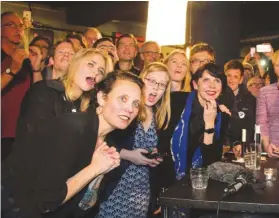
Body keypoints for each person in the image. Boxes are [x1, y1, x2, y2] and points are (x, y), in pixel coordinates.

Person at [1, 71, 145, 218]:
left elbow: (86, 204)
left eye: (136, 103)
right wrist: (94, 169)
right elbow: (46, 201)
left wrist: (99, 174)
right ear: (102, 97)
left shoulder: (107, 143)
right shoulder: (70, 128)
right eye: (123, 99)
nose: (130, 109)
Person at [98, 62, 171, 218]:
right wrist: (129, 155)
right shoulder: (125, 109)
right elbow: (100, 142)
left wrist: (155, 157)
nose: (156, 88)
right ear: (141, 80)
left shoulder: (160, 117)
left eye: (162, 84)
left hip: (141, 193)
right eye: (151, 81)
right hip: (115, 187)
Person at [154, 62, 231, 196]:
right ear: (196, 85)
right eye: (206, 80)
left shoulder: (223, 115)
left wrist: (209, 124)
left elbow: (211, 160)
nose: (212, 86)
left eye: (217, 81)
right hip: (166, 179)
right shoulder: (176, 101)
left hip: (199, 183)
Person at [17, 49, 113, 138]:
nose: (96, 72)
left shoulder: (89, 108)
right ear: (75, 64)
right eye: (91, 64)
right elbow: (35, 136)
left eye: (101, 71)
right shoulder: (45, 90)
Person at [1, 11, 37, 161]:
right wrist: (13, 70)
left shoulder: (25, 60)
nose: (18, 30)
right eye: (11, 25)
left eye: (21, 26)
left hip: (19, 133)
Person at [224, 60, 256, 158]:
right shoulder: (216, 96)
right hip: (222, 149)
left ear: (241, 79)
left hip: (242, 150)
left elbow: (250, 126)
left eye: (235, 76)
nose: (231, 80)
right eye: (229, 75)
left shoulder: (250, 99)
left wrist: (241, 144)